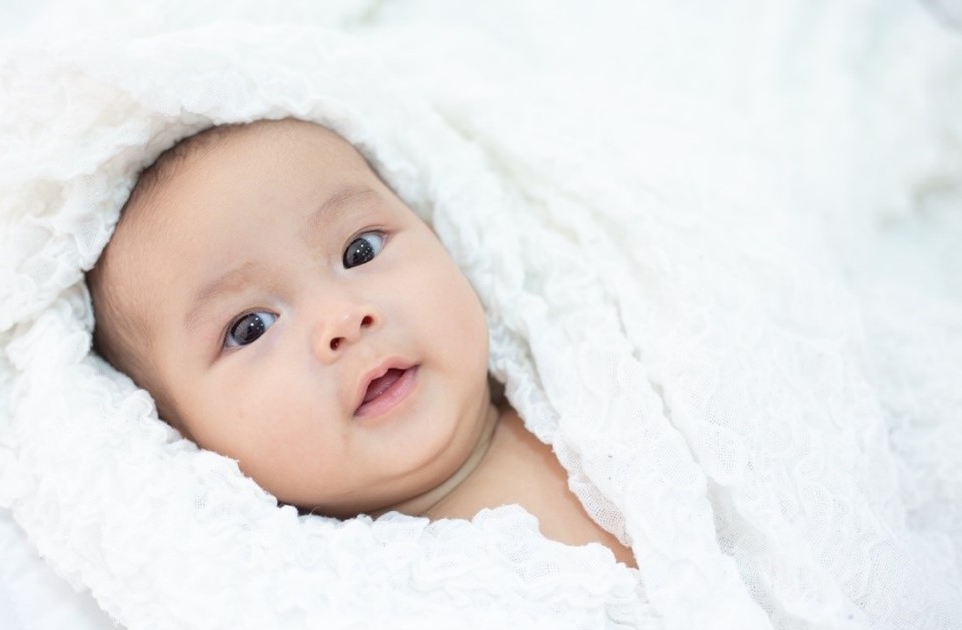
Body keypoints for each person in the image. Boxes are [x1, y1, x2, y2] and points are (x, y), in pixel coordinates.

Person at [87, 118, 636, 568]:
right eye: (251, 327)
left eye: (360, 251)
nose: (343, 321)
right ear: (181, 436)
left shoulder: (605, 380)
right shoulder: (352, 607)